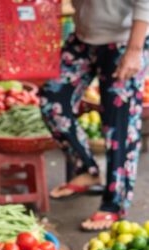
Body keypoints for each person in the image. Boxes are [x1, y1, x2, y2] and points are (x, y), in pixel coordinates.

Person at [40, 0, 149, 231]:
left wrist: (134, 50)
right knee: (52, 100)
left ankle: (114, 205)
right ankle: (86, 169)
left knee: (119, 125)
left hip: (124, 41)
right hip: (83, 38)